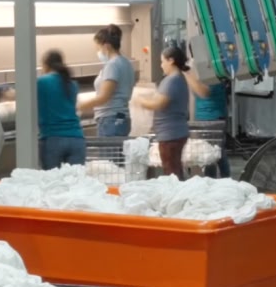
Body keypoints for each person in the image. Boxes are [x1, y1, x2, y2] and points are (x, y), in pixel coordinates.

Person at [77, 24, 135, 137]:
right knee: (116, 154)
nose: (98, 52)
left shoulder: (112, 65)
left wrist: (79, 106)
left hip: (110, 119)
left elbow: (103, 97)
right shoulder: (126, 63)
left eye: (98, 48)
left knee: (109, 153)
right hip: (121, 117)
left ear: (106, 46)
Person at [144, 44, 192, 179]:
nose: (161, 65)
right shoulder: (177, 79)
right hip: (173, 133)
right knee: (174, 170)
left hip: (171, 135)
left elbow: (160, 103)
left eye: (162, 61)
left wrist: (141, 102)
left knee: (172, 174)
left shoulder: (172, 80)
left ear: (171, 60)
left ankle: (176, 197)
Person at [37, 50, 86, 169]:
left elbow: (21, 95)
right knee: (76, 182)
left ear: (45, 65)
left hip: (53, 139)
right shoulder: (72, 84)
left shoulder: (41, 82)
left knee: (52, 183)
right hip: (76, 138)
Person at [188, 72, 233, 179]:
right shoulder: (211, 71)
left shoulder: (210, 73)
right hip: (209, 116)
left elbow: (204, 92)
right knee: (214, 152)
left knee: (213, 153)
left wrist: (188, 76)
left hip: (212, 117)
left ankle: (221, 180)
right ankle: (221, 180)